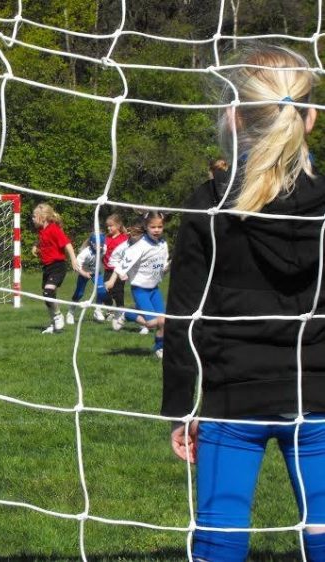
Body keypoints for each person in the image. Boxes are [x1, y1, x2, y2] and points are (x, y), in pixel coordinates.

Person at [162, 44, 325, 562]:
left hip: (231, 399)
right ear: (311, 119)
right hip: (319, 394)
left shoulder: (206, 205)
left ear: (231, 119)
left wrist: (181, 407)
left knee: (220, 533)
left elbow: (183, 315)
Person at [109, 211, 169, 357]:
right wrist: (111, 280)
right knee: (152, 323)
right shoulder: (139, 246)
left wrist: (173, 264)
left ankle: (159, 348)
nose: (156, 230)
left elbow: (163, 269)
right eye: (153, 227)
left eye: (159, 227)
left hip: (154, 289)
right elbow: (123, 264)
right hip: (140, 289)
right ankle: (128, 313)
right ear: (146, 227)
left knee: (164, 322)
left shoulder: (163, 244)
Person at [32, 203, 78, 334]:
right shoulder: (41, 230)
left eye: (35, 216)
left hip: (57, 266)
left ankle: (58, 316)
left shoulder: (54, 229)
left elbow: (67, 244)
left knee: (48, 292)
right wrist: (36, 245)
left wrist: (74, 259)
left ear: (43, 217)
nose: (33, 219)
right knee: (48, 297)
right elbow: (42, 239)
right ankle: (53, 324)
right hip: (47, 267)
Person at [66, 233, 108, 324]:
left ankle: (98, 310)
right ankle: (71, 312)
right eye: (97, 245)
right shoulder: (85, 253)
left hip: (96, 273)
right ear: (92, 243)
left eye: (101, 244)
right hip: (84, 272)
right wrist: (84, 273)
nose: (100, 247)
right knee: (79, 293)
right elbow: (76, 267)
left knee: (102, 291)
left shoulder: (104, 249)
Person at [100, 214, 130, 322]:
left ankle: (120, 311)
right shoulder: (105, 238)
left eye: (111, 226)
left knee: (118, 291)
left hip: (119, 270)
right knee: (105, 290)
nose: (109, 228)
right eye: (107, 226)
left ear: (118, 225)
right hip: (108, 269)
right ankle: (110, 311)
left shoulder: (124, 238)